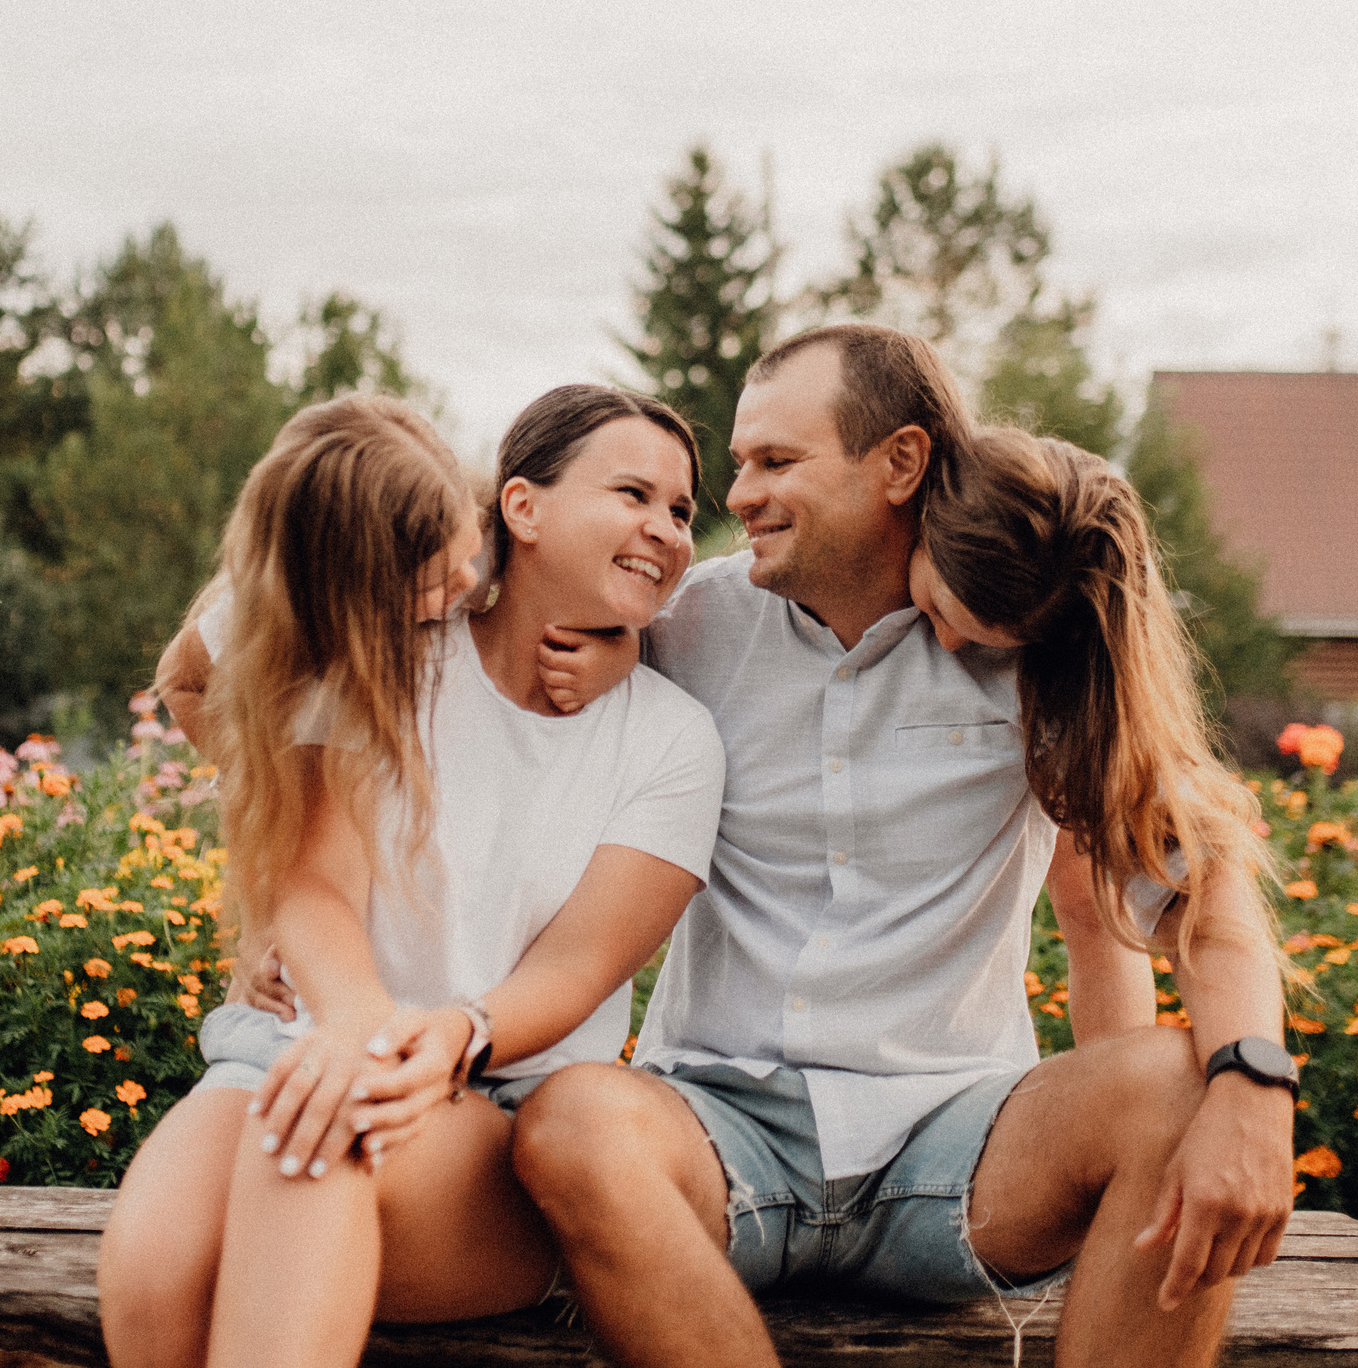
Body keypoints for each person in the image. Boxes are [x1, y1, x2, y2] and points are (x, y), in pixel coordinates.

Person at [509, 325, 1294, 1368]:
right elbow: (463, 623)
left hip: (957, 1144)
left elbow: (1200, 892)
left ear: (900, 462)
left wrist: (1253, 1085)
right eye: (739, 462)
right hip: (716, 1126)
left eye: (775, 461)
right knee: (573, 1122)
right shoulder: (683, 621)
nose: (735, 493)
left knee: (1175, 1078)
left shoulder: (1021, 636)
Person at [96, 387, 727, 1368]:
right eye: (634, 491)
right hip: (297, 1042)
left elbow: (576, 969)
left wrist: (415, 1043)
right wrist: (283, 885)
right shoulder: (377, 638)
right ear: (520, 506)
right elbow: (303, 853)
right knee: (158, 1272)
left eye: (682, 509)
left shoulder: (672, 737)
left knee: (317, 1132)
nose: (667, 528)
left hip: (495, 1098)